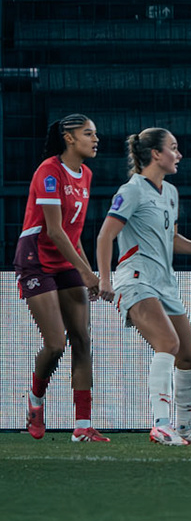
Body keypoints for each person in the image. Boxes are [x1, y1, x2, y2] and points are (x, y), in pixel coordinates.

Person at [95, 128, 191, 446]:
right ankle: (161, 425)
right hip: (136, 278)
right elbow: (105, 235)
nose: (179, 155)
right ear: (155, 154)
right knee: (168, 342)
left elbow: (170, 238)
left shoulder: (171, 192)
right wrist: (105, 279)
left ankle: (186, 428)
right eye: (173, 148)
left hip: (165, 283)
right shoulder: (132, 190)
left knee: (187, 356)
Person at [18, 114, 105, 441]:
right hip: (36, 258)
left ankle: (82, 426)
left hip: (66, 259)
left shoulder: (87, 175)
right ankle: (35, 400)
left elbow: (73, 232)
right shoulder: (49, 171)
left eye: (94, 134)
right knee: (56, 344)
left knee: (82, 339)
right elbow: (54, 230)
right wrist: (85, 272)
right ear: (69, 138)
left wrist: (88, 270)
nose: (95, 139)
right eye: (88, 133)